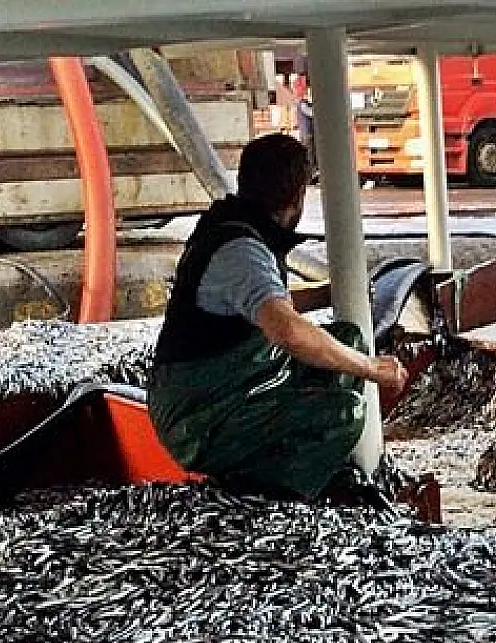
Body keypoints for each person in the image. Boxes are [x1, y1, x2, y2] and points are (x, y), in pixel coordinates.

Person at [149, 133, 407, 502]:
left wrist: (326, 294)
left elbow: (265, 306)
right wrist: (371, 368)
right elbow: (287, 331)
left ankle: (314, 469)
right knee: (343, 413)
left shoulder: (236, 230)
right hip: (199, 418)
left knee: (347, 337)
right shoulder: (242, 250)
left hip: (224, 390)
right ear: (298, 196)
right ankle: (269, 494)